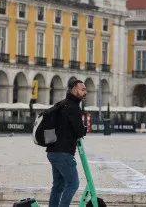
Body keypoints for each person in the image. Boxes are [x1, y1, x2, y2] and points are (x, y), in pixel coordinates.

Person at [46, 79, 87, 207]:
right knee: (73, 184)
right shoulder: (73, 108)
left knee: (58, 186)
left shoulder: (62, 104)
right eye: (83, 89)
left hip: (52, 151)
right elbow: (79, 131)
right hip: (63, 153)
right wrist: (83, 129)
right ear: (74, 90)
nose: (85, 92)